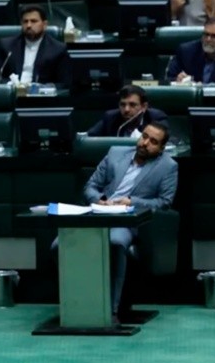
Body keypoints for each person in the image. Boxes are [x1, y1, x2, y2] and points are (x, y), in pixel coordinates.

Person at [55, 122, 178, 321]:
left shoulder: (168, 167)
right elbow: (90, 186)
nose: (145, 143)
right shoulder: (115, 154)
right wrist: (99, 199)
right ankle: (75, 305)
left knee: (115, 243)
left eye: (153, 142)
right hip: (98, 214)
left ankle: (111, 310)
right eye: (144, 136)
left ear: (162, 148)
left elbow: (164, 203)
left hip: (128, 221)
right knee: (60, 244)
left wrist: (132, 201)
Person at [0, 4, 71, 87]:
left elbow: (63, 83)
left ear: (44, 24)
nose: (29, 25)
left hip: (40, 93)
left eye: (34, 21)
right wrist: (10, 85)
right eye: (25, 21)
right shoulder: (7, 46)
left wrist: (43, 88)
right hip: (12, 92)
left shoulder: (57, 49)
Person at [166, 17, 215, 86]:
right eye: (206, 34)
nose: (208, 39)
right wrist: (178, 80)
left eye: (214, 36)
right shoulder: (186, 51)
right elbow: (170, 79)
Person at [87, 85, 169, 138]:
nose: (126, 109)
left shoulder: (156, 118)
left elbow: (165, 142)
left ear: (144, 107)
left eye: (132, 105)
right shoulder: (110, 117)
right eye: (122, 104)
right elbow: (90, 138)